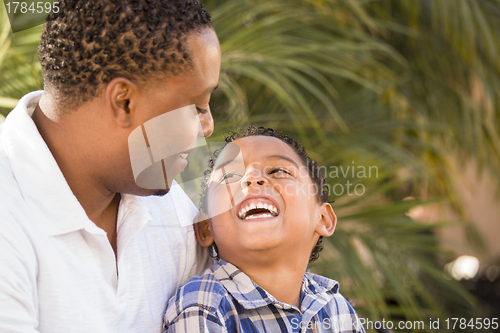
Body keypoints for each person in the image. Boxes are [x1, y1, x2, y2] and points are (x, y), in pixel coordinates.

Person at [0, 0, 221, 332]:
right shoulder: (9, 222)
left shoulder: (169, 206)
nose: (208, 128)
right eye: (198, 106)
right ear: (124, 102)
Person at [163, 126, 365, 332]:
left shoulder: (337, 310)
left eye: (278, 171)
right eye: (230, 176)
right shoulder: (204, 306)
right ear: (206, 227)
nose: (251, 178)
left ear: (322, 218)